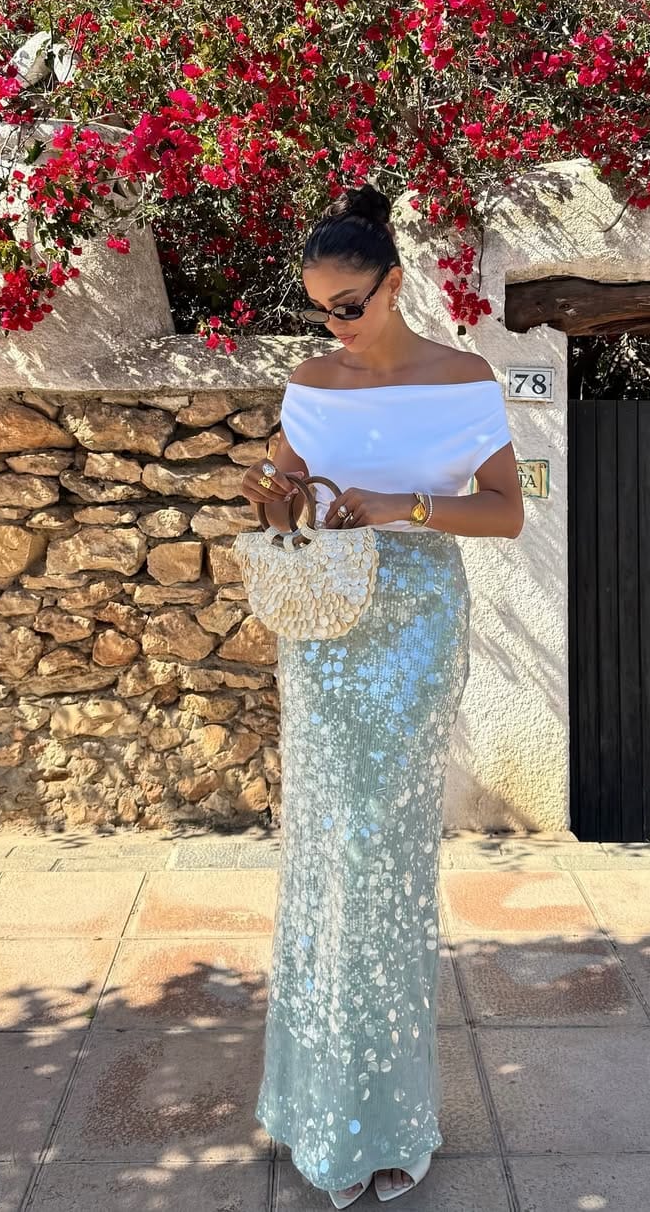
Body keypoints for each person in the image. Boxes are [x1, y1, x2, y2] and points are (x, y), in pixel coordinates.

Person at [242, 181, 523, 1206]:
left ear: (396, 283)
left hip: (413, 630)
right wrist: (273, 493)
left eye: (350, 302)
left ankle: (389, 1123)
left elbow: (506, 515)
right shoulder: (312, 381)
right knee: (324, 852)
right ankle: (315, 1104)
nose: (334, 323)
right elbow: (282, 484)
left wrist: (405, 504)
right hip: (325, 629)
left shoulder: (464, 380)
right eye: (320, 306)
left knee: (385, 858)